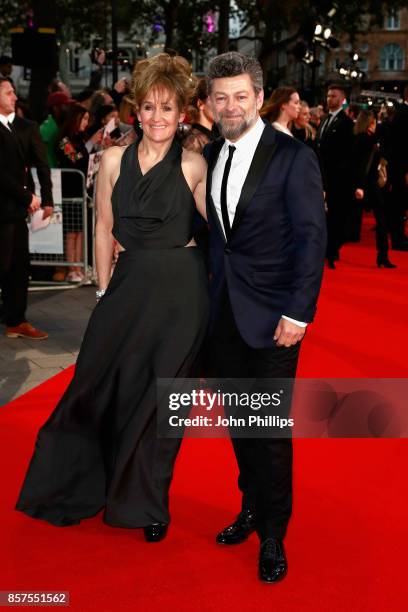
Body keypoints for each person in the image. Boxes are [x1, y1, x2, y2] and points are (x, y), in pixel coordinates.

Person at [15, 53, 209, 543]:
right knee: (96, 387)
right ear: (136, 112)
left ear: (182, 113)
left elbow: (225, 229)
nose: (158, 118)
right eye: (149, 108)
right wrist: (102, 291)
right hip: (126, 289)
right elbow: (102, 229)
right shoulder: (114, 161)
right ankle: (82, 480)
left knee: (163, 403)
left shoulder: (194, 164)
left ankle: (147, 503)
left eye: (168, 108)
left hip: (181, 296)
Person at [204, 52, 326, 583]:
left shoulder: (293, 156)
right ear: (209, 103)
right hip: (223, 314)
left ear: (259, 97)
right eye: (220, 97)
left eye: (240, 96)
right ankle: (251, 506)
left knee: (270, 428)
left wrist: (299, 313)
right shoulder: (208, 153)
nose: (230, 105)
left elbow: (311, 238)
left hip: (276, 318)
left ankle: (274, 532)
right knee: (240, 422)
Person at [0, 77, 52, 340]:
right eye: (8, 92)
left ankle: (15, 320)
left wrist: (46, 199)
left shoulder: (24, 127)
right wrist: (25, 196)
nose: (14, 96)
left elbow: (40, 165)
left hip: (16, 212)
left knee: (19, 267)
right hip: (6, 210)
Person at [56, 104, 101, 282]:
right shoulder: (64, 140)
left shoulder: (81, 139)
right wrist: (91, 144)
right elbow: (75, 159)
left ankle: (80, 266)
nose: (86, 123)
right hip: (69, 190)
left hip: (82, 190)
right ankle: (71, 268)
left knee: (81, 231)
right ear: (74, 119)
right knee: (72, 232)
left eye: (87, 119)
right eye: (83, 119)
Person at [316, 84, 354, 268]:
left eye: (334, 96)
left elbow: (347, 154)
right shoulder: (323, 120)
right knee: (323, 216)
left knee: (335, 217)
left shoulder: (346, 123)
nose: (330, 98)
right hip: (321, 176)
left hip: (337, 180)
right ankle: (326, 249)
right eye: (328, 95)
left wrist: (337, 178)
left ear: (342, 99)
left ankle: (332, 251)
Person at [352, 110, 396, 268]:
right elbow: (364, 166)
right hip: (368, 185)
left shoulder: (357, 138)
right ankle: (382, 256)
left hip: (361, 184)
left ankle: (332, 250)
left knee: (345, 218)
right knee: (381, 220)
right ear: (371, 123)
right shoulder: (369, 141)